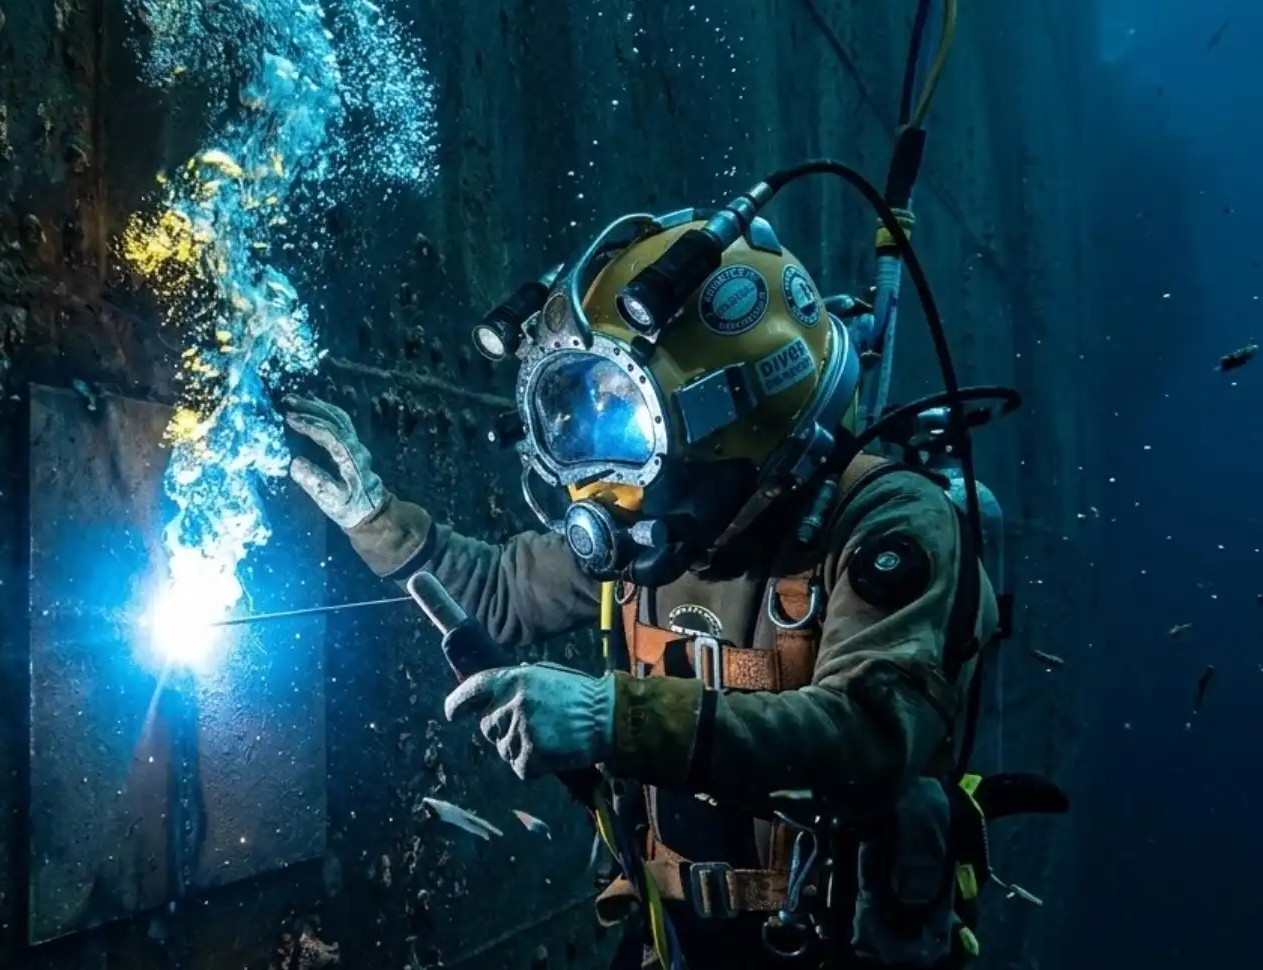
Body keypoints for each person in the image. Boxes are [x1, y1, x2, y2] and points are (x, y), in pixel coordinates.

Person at [284, 210, 1002, 970]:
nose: (595, 475)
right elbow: (500, 591)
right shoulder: (655, 524)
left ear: (731, 414)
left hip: (827, 947)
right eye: (578, 415)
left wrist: (612, 716)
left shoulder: (889, 522)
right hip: (672, 937)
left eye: (622, 420)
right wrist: (378, 521)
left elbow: (870, 735)